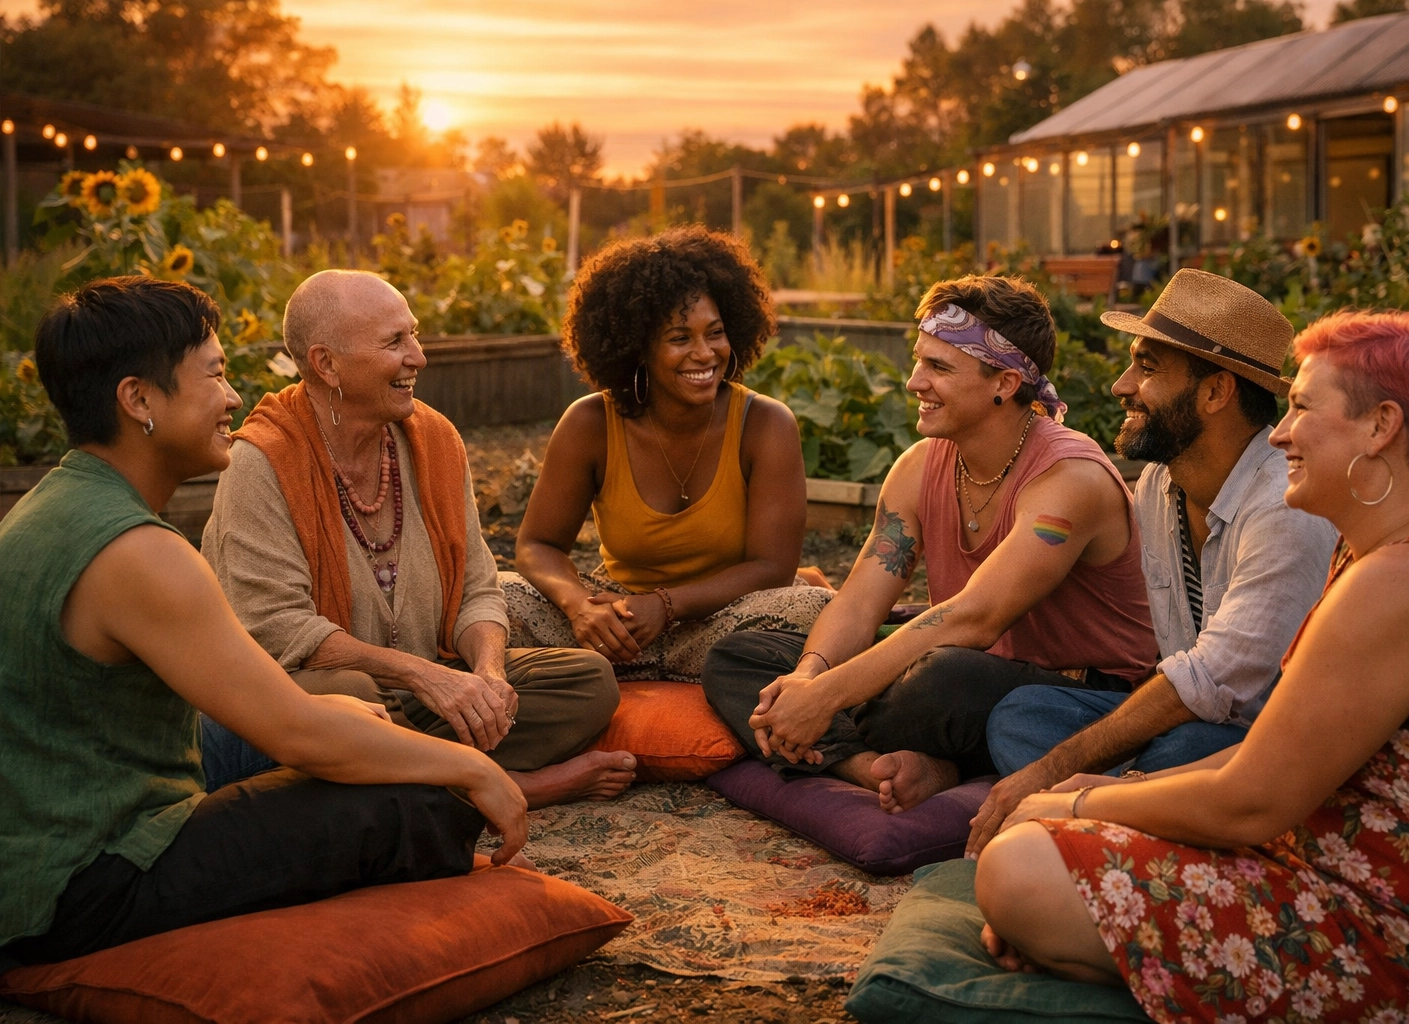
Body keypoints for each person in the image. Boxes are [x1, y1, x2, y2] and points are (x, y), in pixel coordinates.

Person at [974, 310, 1409, 1021]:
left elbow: (1252, 801)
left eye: (1301, 408)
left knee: (1018, 867)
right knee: (1041, 787)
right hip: (1350, 855)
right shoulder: (1404, 549)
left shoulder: (1407, 580)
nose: (1278, 433)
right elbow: (1275, 761)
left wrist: (1071, 802)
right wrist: (1098, 790)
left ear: (1381, 427)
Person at [0, 277, 527, 966]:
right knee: (417, 803)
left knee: (353, 716)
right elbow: (296, 734)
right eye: (214, 375)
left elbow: (278, 710)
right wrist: (470, 768)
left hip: (44, 850)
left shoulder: (55, 506)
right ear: (139, 400)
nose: (233, 398)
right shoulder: (140, 554)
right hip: (87, 883)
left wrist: (343, 716)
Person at [702, 275, 1158, 814]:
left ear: (1005, 382)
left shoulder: (1070, 480)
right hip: (962, 661)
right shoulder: (918, 467)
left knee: (940, 681)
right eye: (919, 361)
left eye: (939, 367)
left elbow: (975, 618)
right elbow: (859, 601)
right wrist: (808, 678)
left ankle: (913, 757)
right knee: (740, 655)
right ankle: (866, 766)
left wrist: (826, 697)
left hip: (1075, 695)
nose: (914, 381)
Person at [203, 270, 632, 807]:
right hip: (312, 694)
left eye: (415, 334)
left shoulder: (434, 440)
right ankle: (499, 783)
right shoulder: (261, 461)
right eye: (394, 342)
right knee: (353, 698)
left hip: (422, 688)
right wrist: (420, 675)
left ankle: (432, 778)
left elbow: (477, 587)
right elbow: (278, 630)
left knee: (587, 680)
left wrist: (487, 674)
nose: (419, 357)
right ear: (326, 364)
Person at [967, 270, 1337, 855]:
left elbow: (1215, 683)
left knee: (1182, 748)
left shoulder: (1284, 507)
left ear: (1215, 393)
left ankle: (1112, 807)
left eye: (1147, 367)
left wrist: (1051, 770)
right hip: (1193, 725)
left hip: (1264, 746)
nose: (1122, 385)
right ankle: (1140, 805)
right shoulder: (1159, 486)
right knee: (1022, 714)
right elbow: (1177, 674)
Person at [506, 226, 831, 682]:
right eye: (680, 338)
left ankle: (613, 673)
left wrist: (665, 605)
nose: (705, 354)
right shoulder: (590, 424)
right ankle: (659, 669)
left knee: (813, 609)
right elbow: (537, 545)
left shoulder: (765, 424)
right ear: (638, 347)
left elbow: (772, 568)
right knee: (499, 598)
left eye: (715, 333)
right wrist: (580, 607)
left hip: (722, 618)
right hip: (620, 619)